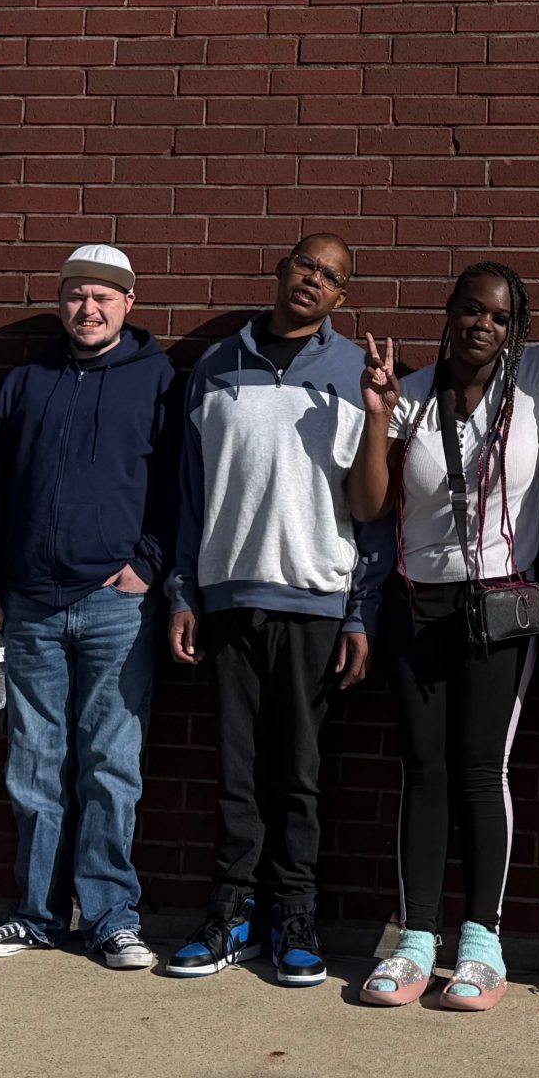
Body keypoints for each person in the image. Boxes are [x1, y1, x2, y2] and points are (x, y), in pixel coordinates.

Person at [345, 262, 539, 1011]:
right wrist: (378, 415)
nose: (485, 324)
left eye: (501, 317)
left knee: (482, 769)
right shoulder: (410, 394)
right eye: (473, 310)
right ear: (449, 312)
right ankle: (417, 938)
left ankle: (483, 943)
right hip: (419, 602)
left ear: (517, 329)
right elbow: (368, 504)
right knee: (423, 769)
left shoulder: (534, 378)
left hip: (501, 605)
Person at [160, 234, 386, 986]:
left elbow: (374, 515)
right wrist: (185, 592)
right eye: (305, 265)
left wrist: (360, 614)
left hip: (315, 598)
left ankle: (295, 915)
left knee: (299, 774)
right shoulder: (214, 367)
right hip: (227, 595)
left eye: (330, 276)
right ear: (283, 268)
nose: (313, 280)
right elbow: (189, 493)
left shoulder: (355, 373)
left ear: (341, 297)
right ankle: (232, 915)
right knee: (235, 772)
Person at [0, 244, 177, 970]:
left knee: (110, 766)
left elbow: (180, 484)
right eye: (77, 295)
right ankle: (37, 915)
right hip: (29, 605)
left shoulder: (159, 381)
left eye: (104, 297)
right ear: (61, 302)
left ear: (128, 304)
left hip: (115, 606)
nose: (89, 309)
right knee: (34, 765)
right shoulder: (27, 382)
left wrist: (148, 563)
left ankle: (111, 918)